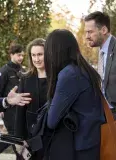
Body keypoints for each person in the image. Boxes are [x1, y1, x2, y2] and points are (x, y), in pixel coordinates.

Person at [42, 29, 105, 160]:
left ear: (54, 51)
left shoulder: (69, 74)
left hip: (80, 147)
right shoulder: (83, 68)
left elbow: (52, 121)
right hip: (91, 140)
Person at [0, 43, 25, 160]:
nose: (21, 58)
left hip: (20, 111)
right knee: (18, 140)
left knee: (14, 136)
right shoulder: (4, 72)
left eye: (22, 55)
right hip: (9, 111)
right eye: (19, 55)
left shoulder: (23, 70)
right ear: (11, 55)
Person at [15, 38, 47, 159]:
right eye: (33, 55)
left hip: (49, 137)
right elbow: (20, 110)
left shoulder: (57, 78)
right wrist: (18, 139)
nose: (36, 59)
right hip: (30, 136)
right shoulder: (26, 78)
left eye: (40, 54)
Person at [84, 11, 116, 112]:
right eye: (86, 32)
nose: (87, 36)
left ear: (104, 30)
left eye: (90, 32)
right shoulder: (102, 51)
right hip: (104, 113)